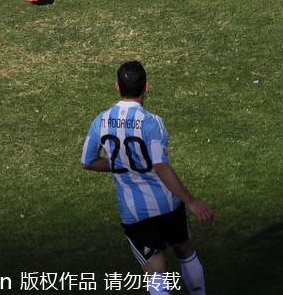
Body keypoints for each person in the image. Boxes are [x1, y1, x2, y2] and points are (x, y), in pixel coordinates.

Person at [82, 61, 213, 295]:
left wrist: (120, 164)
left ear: (116, 86)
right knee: (185, 251)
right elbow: (160, 166)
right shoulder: (152, 122)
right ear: (147, 87)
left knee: (155, 271)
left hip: (135, 212)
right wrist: (191, 201)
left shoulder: (100, 121)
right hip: (168, 204)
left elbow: (88, 162)